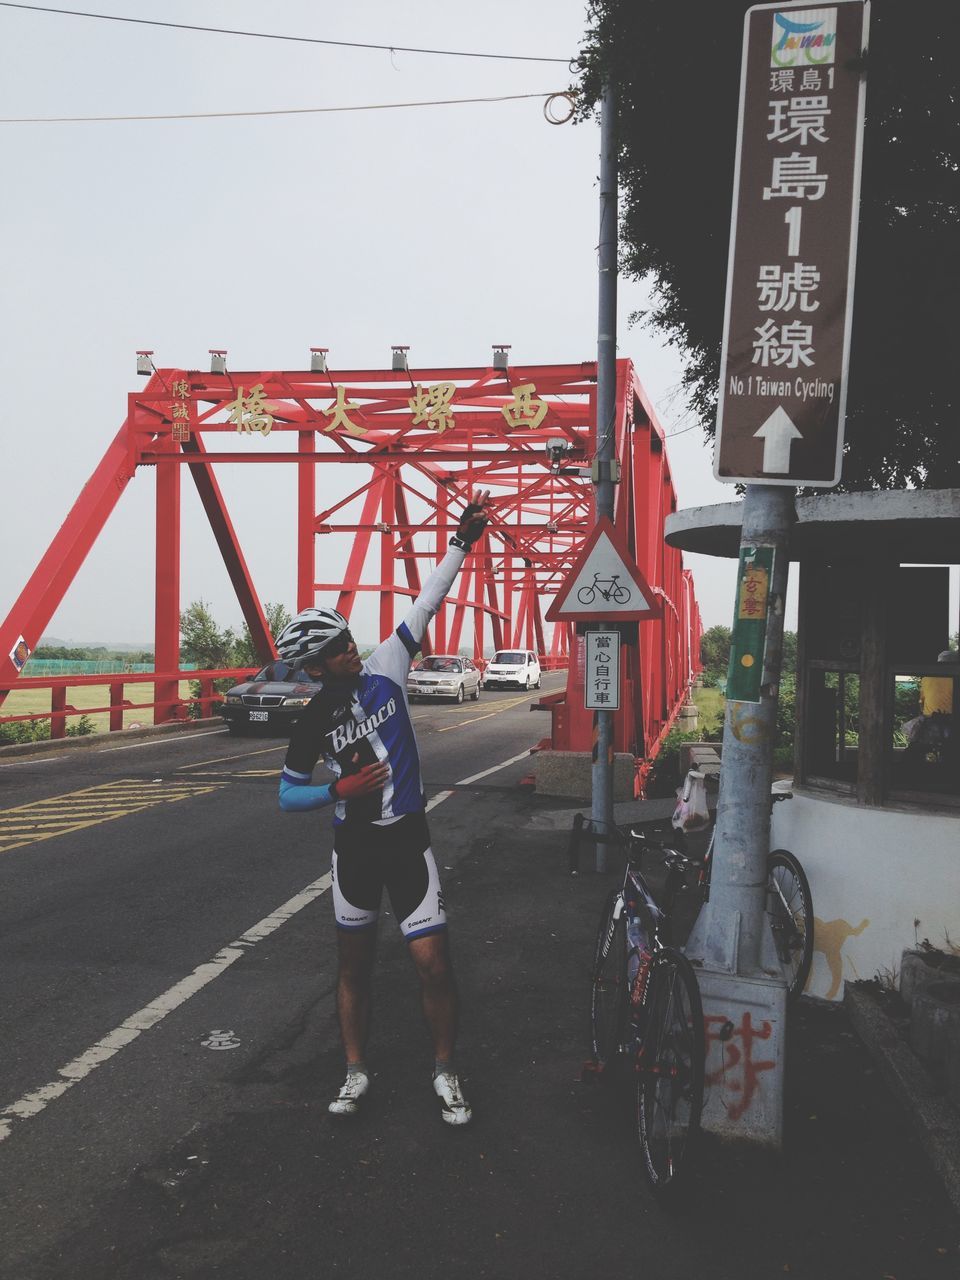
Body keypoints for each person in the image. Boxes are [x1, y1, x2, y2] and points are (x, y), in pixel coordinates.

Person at [275, 489, 490, 1126]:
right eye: (338, 646)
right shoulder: (312, 719)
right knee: (354, 967)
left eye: (347, 638)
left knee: (433, 963)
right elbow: (286, 794)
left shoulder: (387, 667)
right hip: (356, 851)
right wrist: (336, 792)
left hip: (408, 842)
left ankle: (447, 1070)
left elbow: (427, 601)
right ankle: (354, 1071)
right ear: (314, 666)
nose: (351, 646)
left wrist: (461, 540)